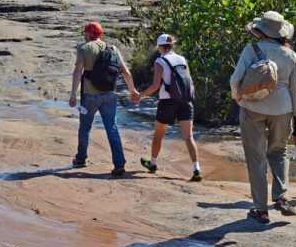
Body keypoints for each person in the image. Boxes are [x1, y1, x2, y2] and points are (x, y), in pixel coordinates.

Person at [230, 11, 296, 224]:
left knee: (256, 158)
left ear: (261, 31)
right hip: (282, 110)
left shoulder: (250, 49)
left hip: (252, 108)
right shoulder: (291, 56)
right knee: (279, 152)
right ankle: (281, 198)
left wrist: (238, 98)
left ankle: (261, 210)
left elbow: (235, 79)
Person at [69, 21, 138, 175]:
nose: (84, 35)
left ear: (89, 34)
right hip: (109, 95)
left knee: (85, 127)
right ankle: (119, 164)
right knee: (112, 128)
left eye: (85, 32)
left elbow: (78, 71)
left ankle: (81, 158)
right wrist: (132, 91)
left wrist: (73, 94)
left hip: (89, 96)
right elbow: (125, 71)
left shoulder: (83, 48)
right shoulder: (113, 48)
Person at [132, 34, 201, 182]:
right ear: (173, 45)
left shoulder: (160, 61)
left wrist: (140, 95)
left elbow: (156, 86)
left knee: (159, 134)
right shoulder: (182, 59)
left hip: (167, 102)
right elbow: (190, 82)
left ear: (160, 47)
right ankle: (196, 169)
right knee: (189, 136)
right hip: (185, 101)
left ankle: (153, 164)